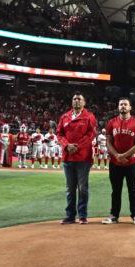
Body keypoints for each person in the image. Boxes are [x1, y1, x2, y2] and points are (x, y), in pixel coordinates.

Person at [56, 92, 98, 225]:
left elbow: (91, 134)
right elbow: (59, 134)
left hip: (83, 157)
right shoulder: (64, 117)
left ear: (84, 103)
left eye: (79, 99)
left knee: (82, 188)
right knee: (70, 188)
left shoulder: (89, 117)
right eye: (74, 99)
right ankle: (70, 215)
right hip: (68, 156)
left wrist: (77, 146)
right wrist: (66, 145)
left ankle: (82, 215)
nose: (76, 101)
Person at [104, 98, 135, 225]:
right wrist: (117, 155)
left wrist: (124, 155)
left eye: (125, 104)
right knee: (116, 190)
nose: (123, 106)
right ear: (118, 107)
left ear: (130, 107)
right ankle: (114, 215)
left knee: (132, 189)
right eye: (121, 104)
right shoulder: (112, 122)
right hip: (115, 162)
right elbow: (108, 142)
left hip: (131, 161)